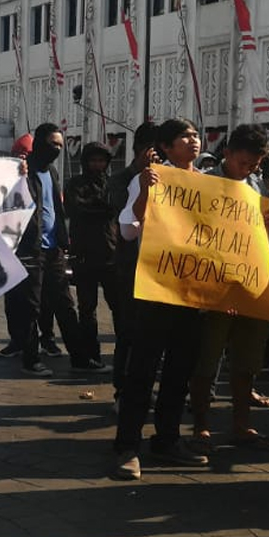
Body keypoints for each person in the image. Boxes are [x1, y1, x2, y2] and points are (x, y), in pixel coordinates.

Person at [112, 118, 210, 480]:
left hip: (191, 293)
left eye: (196, 135)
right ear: (166, 147)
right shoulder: (150, 178)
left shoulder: (208, 184)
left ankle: (167, 439)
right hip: (154, 290)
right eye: (185, 137)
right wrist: (145, 193)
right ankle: (127, 446)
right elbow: (127, 231)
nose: (194, 141)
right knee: (142, 369)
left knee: (180, 369)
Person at [189, 125, 269, 454]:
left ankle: (241, 424)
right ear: (227, 153)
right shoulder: (203, 184)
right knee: (206, 360)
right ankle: (201, 425)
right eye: (245, 162)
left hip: (252, 285)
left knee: (247, 360)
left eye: (256, 164)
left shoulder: (262, 187)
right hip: (213, 287)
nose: (250, 169)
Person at [4, 122, 104, 377]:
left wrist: (63, 239)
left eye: (60, 145)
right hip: (30, 249)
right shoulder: (22, 172)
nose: (57, 149)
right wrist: (16, 171)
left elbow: (56, 209)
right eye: (53, 144)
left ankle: (80, 358)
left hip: (53, 249)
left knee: (65, 305)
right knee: (31, 308)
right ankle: (31, 359)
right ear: (38, 143)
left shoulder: (52, 172)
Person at [106, 123, 158, 401]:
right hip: (129, 266)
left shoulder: (169, 177)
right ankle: (122, 390)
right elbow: (120, 210)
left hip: (159, 267)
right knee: (128, 331)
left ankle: (145, 387)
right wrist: (140, 174)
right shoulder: (120, 179)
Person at [64, 142, 122, 369]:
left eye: (101, 161)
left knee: (118, 306)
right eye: (93, 161)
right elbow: (77, 209)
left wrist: (102, 207)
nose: (97, 165)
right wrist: (104, 207)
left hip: (111, 254)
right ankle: (90, 355)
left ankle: (122, 351)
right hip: (84, 255)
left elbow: (118, 207)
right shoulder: (75, 184)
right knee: (87, 309)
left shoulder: (111, 184)